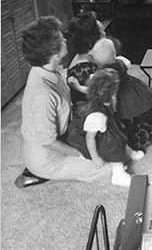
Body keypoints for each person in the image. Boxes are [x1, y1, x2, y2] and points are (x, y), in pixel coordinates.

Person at [14, 16, 131, 189]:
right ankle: (35, 173)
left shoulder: (47, 69)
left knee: (112, 140)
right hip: (47, 156)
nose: (65, 39)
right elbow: (48, 141)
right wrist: (80, 154)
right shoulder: (42, 94)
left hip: (67, 132)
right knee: (107, 167)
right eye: (61, 38)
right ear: (53, 53)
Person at [89, 38, 152, 151]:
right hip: (134, 91)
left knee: (123, 120)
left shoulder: (102, 73)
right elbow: (127, 64)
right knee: (143, 111)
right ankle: (146, 118)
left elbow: (100, 88)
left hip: (121, 97)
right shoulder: (119, 63)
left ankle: (138, 127)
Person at [64, 68, 144, 167]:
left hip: (100, 125)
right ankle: (118, 171)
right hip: (84, 140)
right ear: (110, 93)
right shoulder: (97, 116)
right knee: (114, 142)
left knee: (120, 131)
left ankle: (129, 151)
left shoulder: (101, 98)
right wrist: (95, 157)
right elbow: (89, 138)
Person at [65, 11, 106, 106]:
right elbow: (99, 94)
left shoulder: (88, 56)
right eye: (102, 32)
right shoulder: (82, 68)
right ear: (91, 40)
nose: (105, 34)